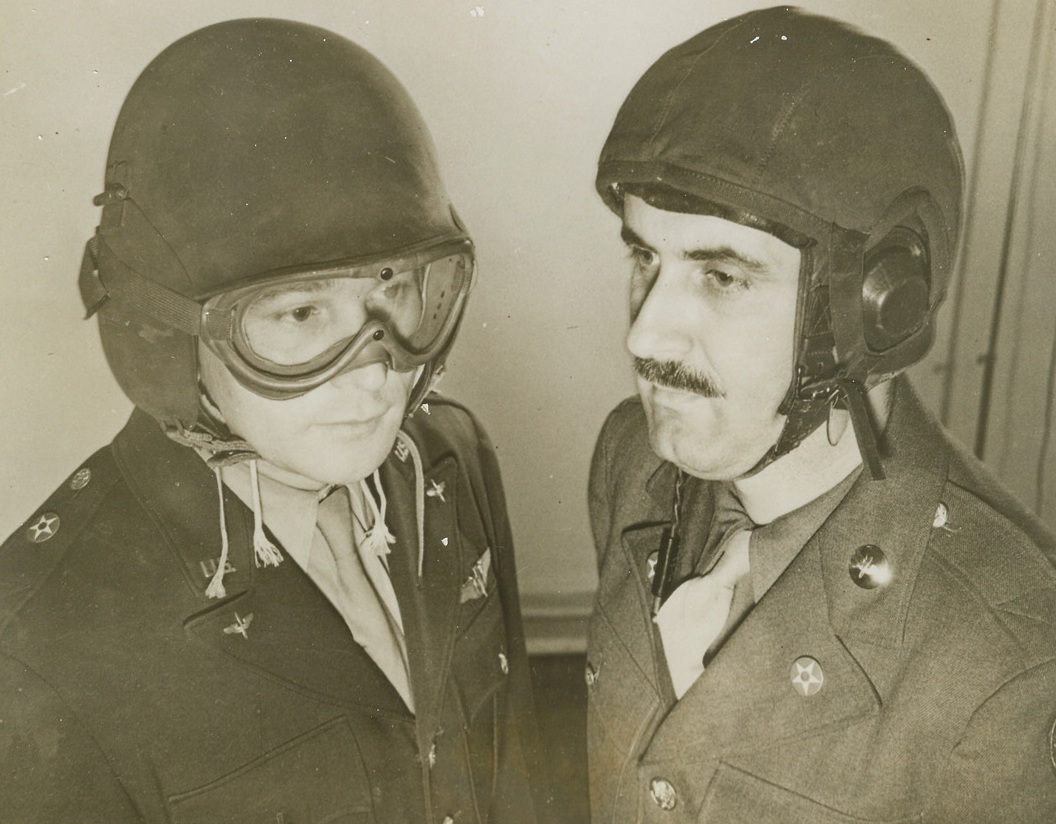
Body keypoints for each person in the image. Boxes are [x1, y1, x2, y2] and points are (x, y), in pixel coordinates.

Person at [0, 19, 542, 824]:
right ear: (167, 333)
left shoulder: (449, 459)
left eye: (397, 291)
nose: (376, 366)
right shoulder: (40, 640)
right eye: (298, 314)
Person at [585, 6, 1056, 822]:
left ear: (878, 306)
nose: (644, 331)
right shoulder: (633, 460)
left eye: (721, 275)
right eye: (643, 256)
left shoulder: (1009, 664)